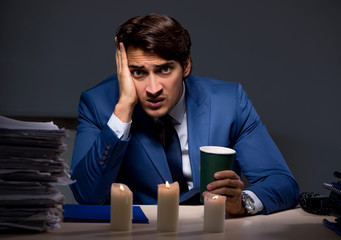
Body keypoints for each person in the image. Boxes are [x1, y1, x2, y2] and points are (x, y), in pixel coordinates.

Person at [70, 13, 299, 216]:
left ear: (186, 66)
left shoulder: (229, 102)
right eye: (138, 72)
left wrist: (244, 202)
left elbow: (283, 183)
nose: (152, 88)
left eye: (164, 69)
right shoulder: (98, 104)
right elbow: (87, 195)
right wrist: (122, 111)